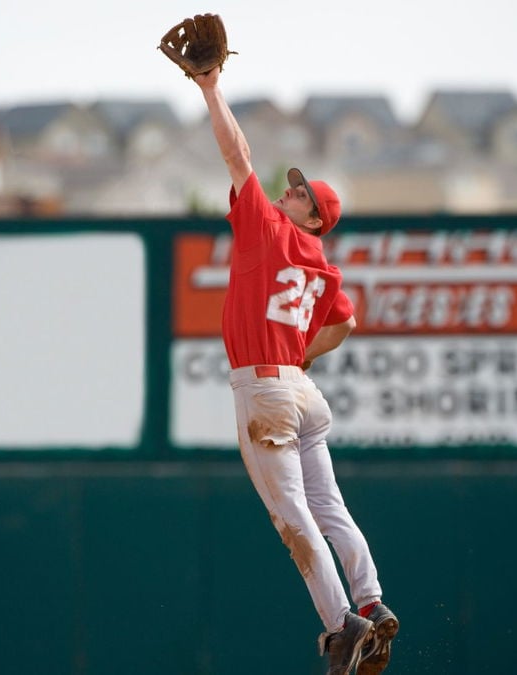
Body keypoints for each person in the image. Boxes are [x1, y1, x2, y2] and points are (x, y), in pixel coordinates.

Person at [191, 65, 398, 675]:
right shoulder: (323, 266)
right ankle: (372, 598)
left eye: (302, 194)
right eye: (294, 188)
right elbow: (347, 324)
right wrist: (307, 353)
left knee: (294, 517)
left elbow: (237, 152)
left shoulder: (270, 227)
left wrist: (209, 89)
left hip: (265, 391)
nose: (290, 191)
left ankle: (342, 626)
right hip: (302, 391)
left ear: (312, 219)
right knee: (330, 506)